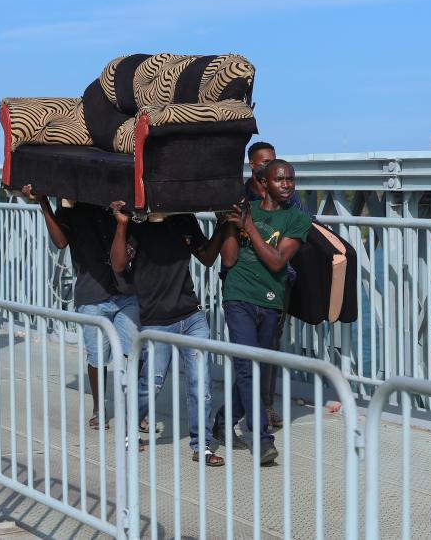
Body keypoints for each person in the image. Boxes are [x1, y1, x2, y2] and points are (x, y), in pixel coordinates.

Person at [110, 201, 229, 466]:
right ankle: (129, 429)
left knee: (201, 385)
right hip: (156, 322)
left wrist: (222, 225)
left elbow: (207, 257)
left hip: (191, 317)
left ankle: (202, 446)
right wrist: (121, 225)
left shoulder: (183, 218)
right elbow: (118, 265)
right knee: (151, 384)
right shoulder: (136, 223)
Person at [213, 159, 312, 464]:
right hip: (238, 296)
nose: (287, 184)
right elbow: (229, 260)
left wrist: (250, 227)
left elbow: (278, 262)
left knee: (255, 367)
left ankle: (222, 421)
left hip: (270, 300)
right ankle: (262, 439)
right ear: (264, 183)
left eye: (291, 179)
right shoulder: (246, 211)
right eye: (280, 179)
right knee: (247, 366)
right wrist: (229, 225)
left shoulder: (298, 218)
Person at [22, 185, 139, 429]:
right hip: (92, 293)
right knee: (97, 356)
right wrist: (43, 203)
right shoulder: (71, 206)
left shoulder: (120, 204)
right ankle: (99, 408)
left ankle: (138, 409)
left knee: (134, 351)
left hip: (125, 290)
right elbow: (60, 242)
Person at [243, 142, 312, 429]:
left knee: (269, 344)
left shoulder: (289, 198)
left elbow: (304, 223)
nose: (269, 166)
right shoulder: (242, 197)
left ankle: (265, 405)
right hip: (243, 283)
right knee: (245, 350)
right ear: (252, 166)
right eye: (264, 163)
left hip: (276, 281)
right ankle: (241, 411)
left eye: (273, 161)